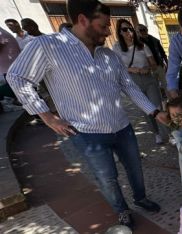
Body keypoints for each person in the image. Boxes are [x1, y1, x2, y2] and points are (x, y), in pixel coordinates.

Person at [6, 0, 165, 229]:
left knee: (135, 168)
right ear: (82, 20)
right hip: (87, 133)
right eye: (103, 26)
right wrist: (46, 116)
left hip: (122, 126)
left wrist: (155, 111)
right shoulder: (47, 46)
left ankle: (140, 198)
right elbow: (17, 77)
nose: (108, 31)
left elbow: (128, 86)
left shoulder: (108, 55)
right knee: (107, 178)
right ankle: (122, 211)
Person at [112, 19, 165, 144]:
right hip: (132, 82)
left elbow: (153, 64)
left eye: (130, 28)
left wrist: (147, 68)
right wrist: (132, 69)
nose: (129, 32)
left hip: (148, 79)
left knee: (157, 106)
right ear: (119, 32)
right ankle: (156, 133)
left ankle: (169, 133)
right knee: (147, 110)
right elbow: (116, 67)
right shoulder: (117, 48)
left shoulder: (142, 46)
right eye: (125, 29)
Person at [137, 24, 169, 98]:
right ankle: (160, 104)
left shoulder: (154, 40)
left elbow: (162, 52)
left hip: (158, 66)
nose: (141, 32)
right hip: (148, 69)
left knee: (166, 84)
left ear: (146, 30)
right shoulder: (137, 43)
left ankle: (171, 101)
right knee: (154, 88)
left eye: (143, 30)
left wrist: (167, 62)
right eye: (139, 30)